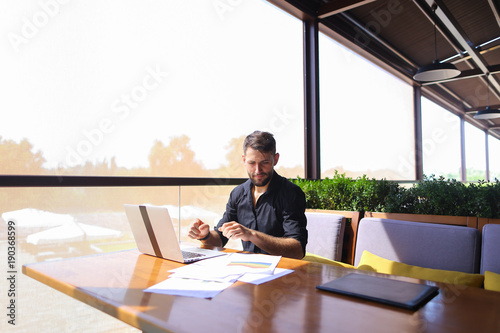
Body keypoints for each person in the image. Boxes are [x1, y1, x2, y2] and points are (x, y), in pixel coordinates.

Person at [188, 130, 308, 259]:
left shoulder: (291, 194)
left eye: (265, 162)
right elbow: (219, 239)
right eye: (252, 163)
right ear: (244, 160)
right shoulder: (238, 194)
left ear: (276, 159)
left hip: (282, 271)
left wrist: (251, 235)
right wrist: (205, 236)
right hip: (249, 268)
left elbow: (297, 250)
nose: (258, 170)